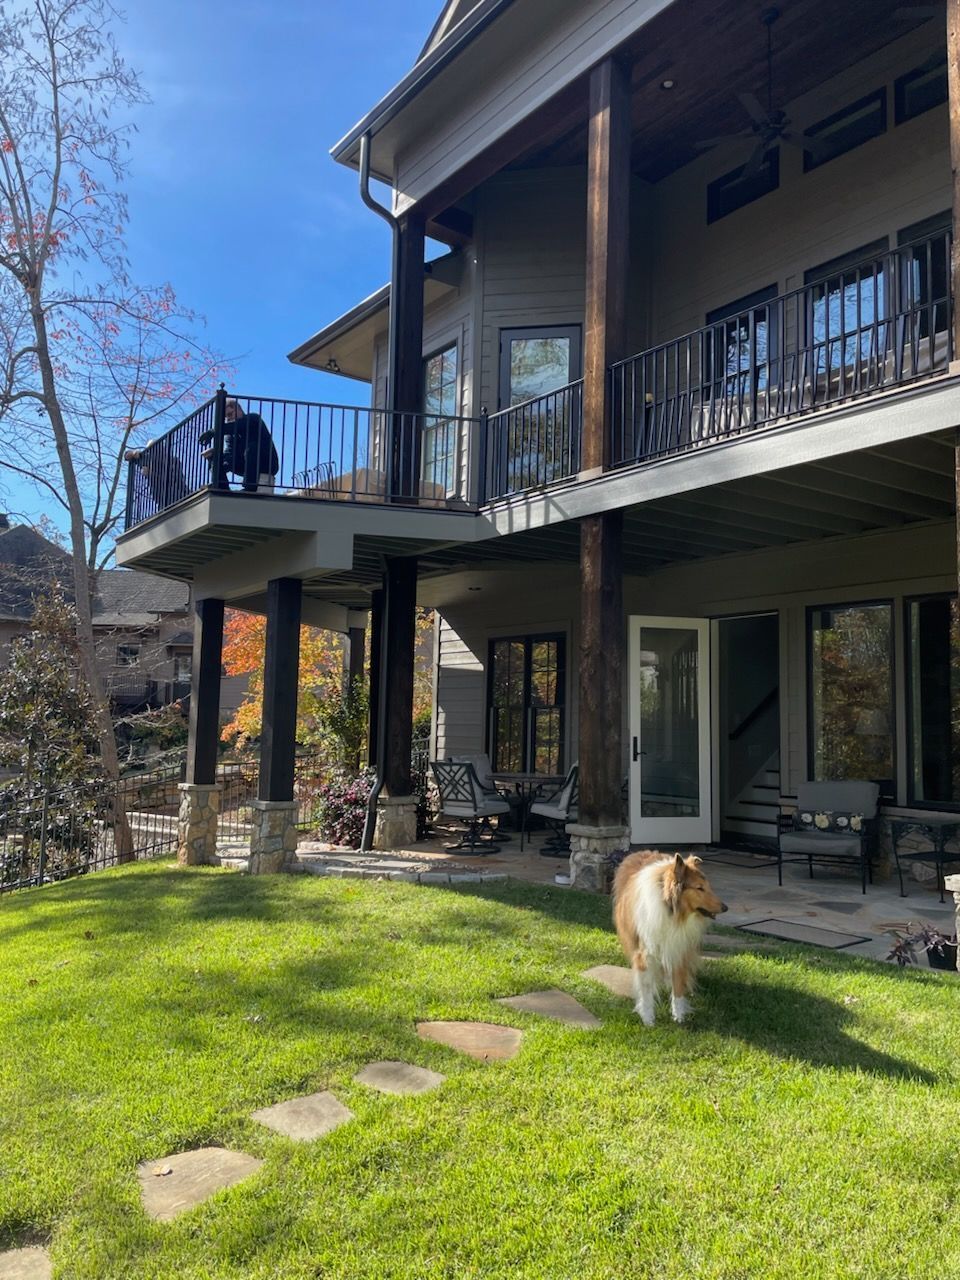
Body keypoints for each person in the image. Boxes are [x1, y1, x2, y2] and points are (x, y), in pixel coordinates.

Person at [201, 397, 280, 493]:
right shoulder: (230, 435)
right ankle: (221, 487)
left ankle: (249, 487)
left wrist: (213, 431)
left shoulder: (253, 419)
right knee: (216, 455)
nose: (229, 418)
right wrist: (217, 462)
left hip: (266, 463)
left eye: (230, 414)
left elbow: (238, 426)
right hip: (246, 465)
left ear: (238, 409)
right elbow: (229, 453)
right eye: (226, 417)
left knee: (251, 448)